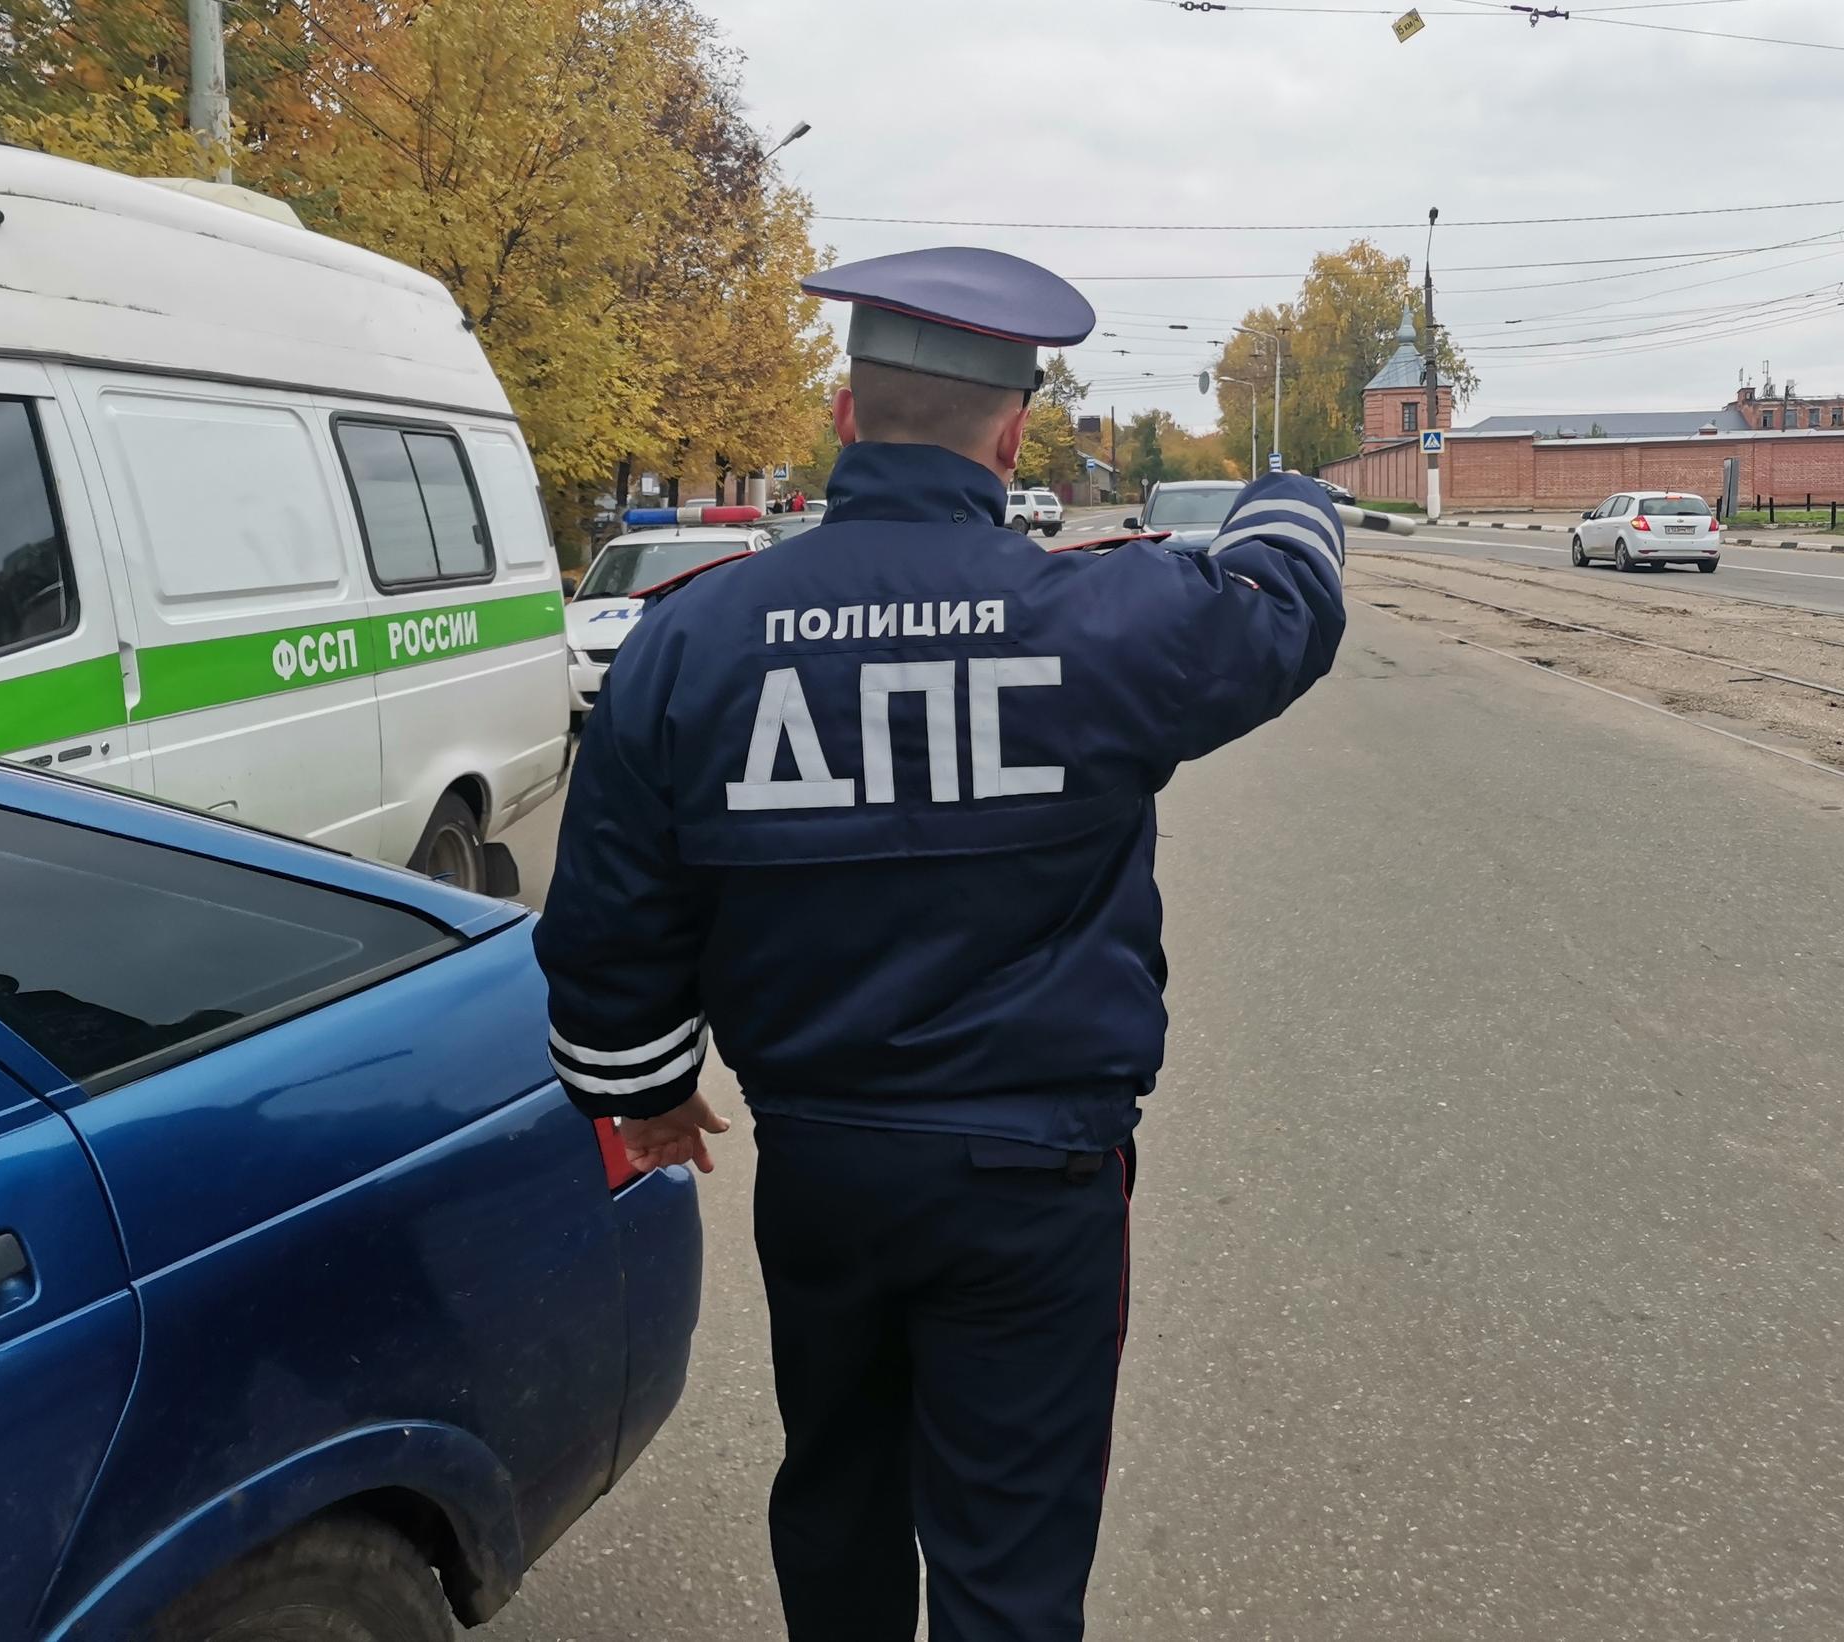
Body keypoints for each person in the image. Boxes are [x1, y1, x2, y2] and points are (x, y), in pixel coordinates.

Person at [534, 245, 1348, 1642]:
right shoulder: (1107, 617)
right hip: (1035, 1186)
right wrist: (1291, 489)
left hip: (826, 1169)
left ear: (844, 417)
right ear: (1014, 430)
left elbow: (609, 911)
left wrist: (642, 1089)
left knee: (839, 1499)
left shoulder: (695, 637)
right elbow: (1287, 610)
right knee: (1011, 1555)